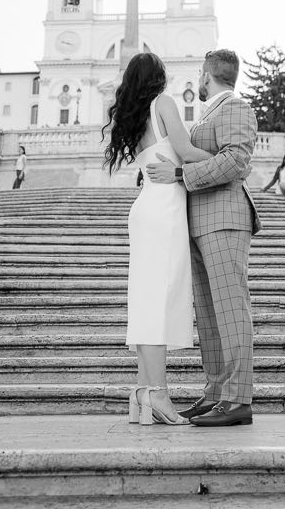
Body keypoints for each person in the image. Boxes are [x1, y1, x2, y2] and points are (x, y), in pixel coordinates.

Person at [145, 49, 262, 427]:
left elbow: (235, 162)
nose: (198, 79)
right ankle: (216, 393)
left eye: (199, 73)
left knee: (230, 310)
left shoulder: (237, 108)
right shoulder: (211, 113)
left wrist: (180, 175)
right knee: (210, 317)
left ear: (207, 76)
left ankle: (237, 399)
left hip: (226, 218)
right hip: (197, 221)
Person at [103, 52, 207, 426]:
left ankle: (143, 392)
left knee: (149, 300)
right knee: (160, 299)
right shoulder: (163, 103)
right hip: (163, 210)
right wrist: (229, 158)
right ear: (158, 77)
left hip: (148, 207)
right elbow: (187, 150)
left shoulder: (135, 115)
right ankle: (158, 395)